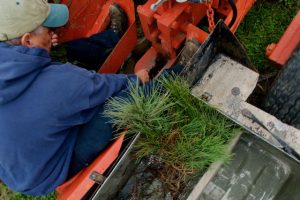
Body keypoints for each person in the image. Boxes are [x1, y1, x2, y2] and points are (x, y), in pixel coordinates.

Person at [0, 0, 200, 196]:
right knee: (119, 105)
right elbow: (98, 88)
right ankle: (180, 72)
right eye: (46, 29)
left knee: (63, 49)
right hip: (49, 170)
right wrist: (136, 79)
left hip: (19, 161)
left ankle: (111, 39)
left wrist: (42, 46)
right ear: (27, 40)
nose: (52, 32)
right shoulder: (56, 84)